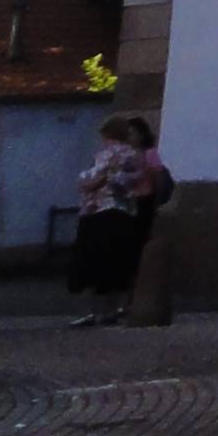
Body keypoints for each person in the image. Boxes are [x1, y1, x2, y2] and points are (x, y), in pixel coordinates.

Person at [65, 115, 162, 325]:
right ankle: (112, 309)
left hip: (99, 211)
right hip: (125, 211)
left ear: (107, 134)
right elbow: (135, 179)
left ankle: (91, 312)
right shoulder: (135, 155)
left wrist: (89, 181)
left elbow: (89, 179)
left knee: (92, 261)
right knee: (117, 262)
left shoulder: (106, 154)